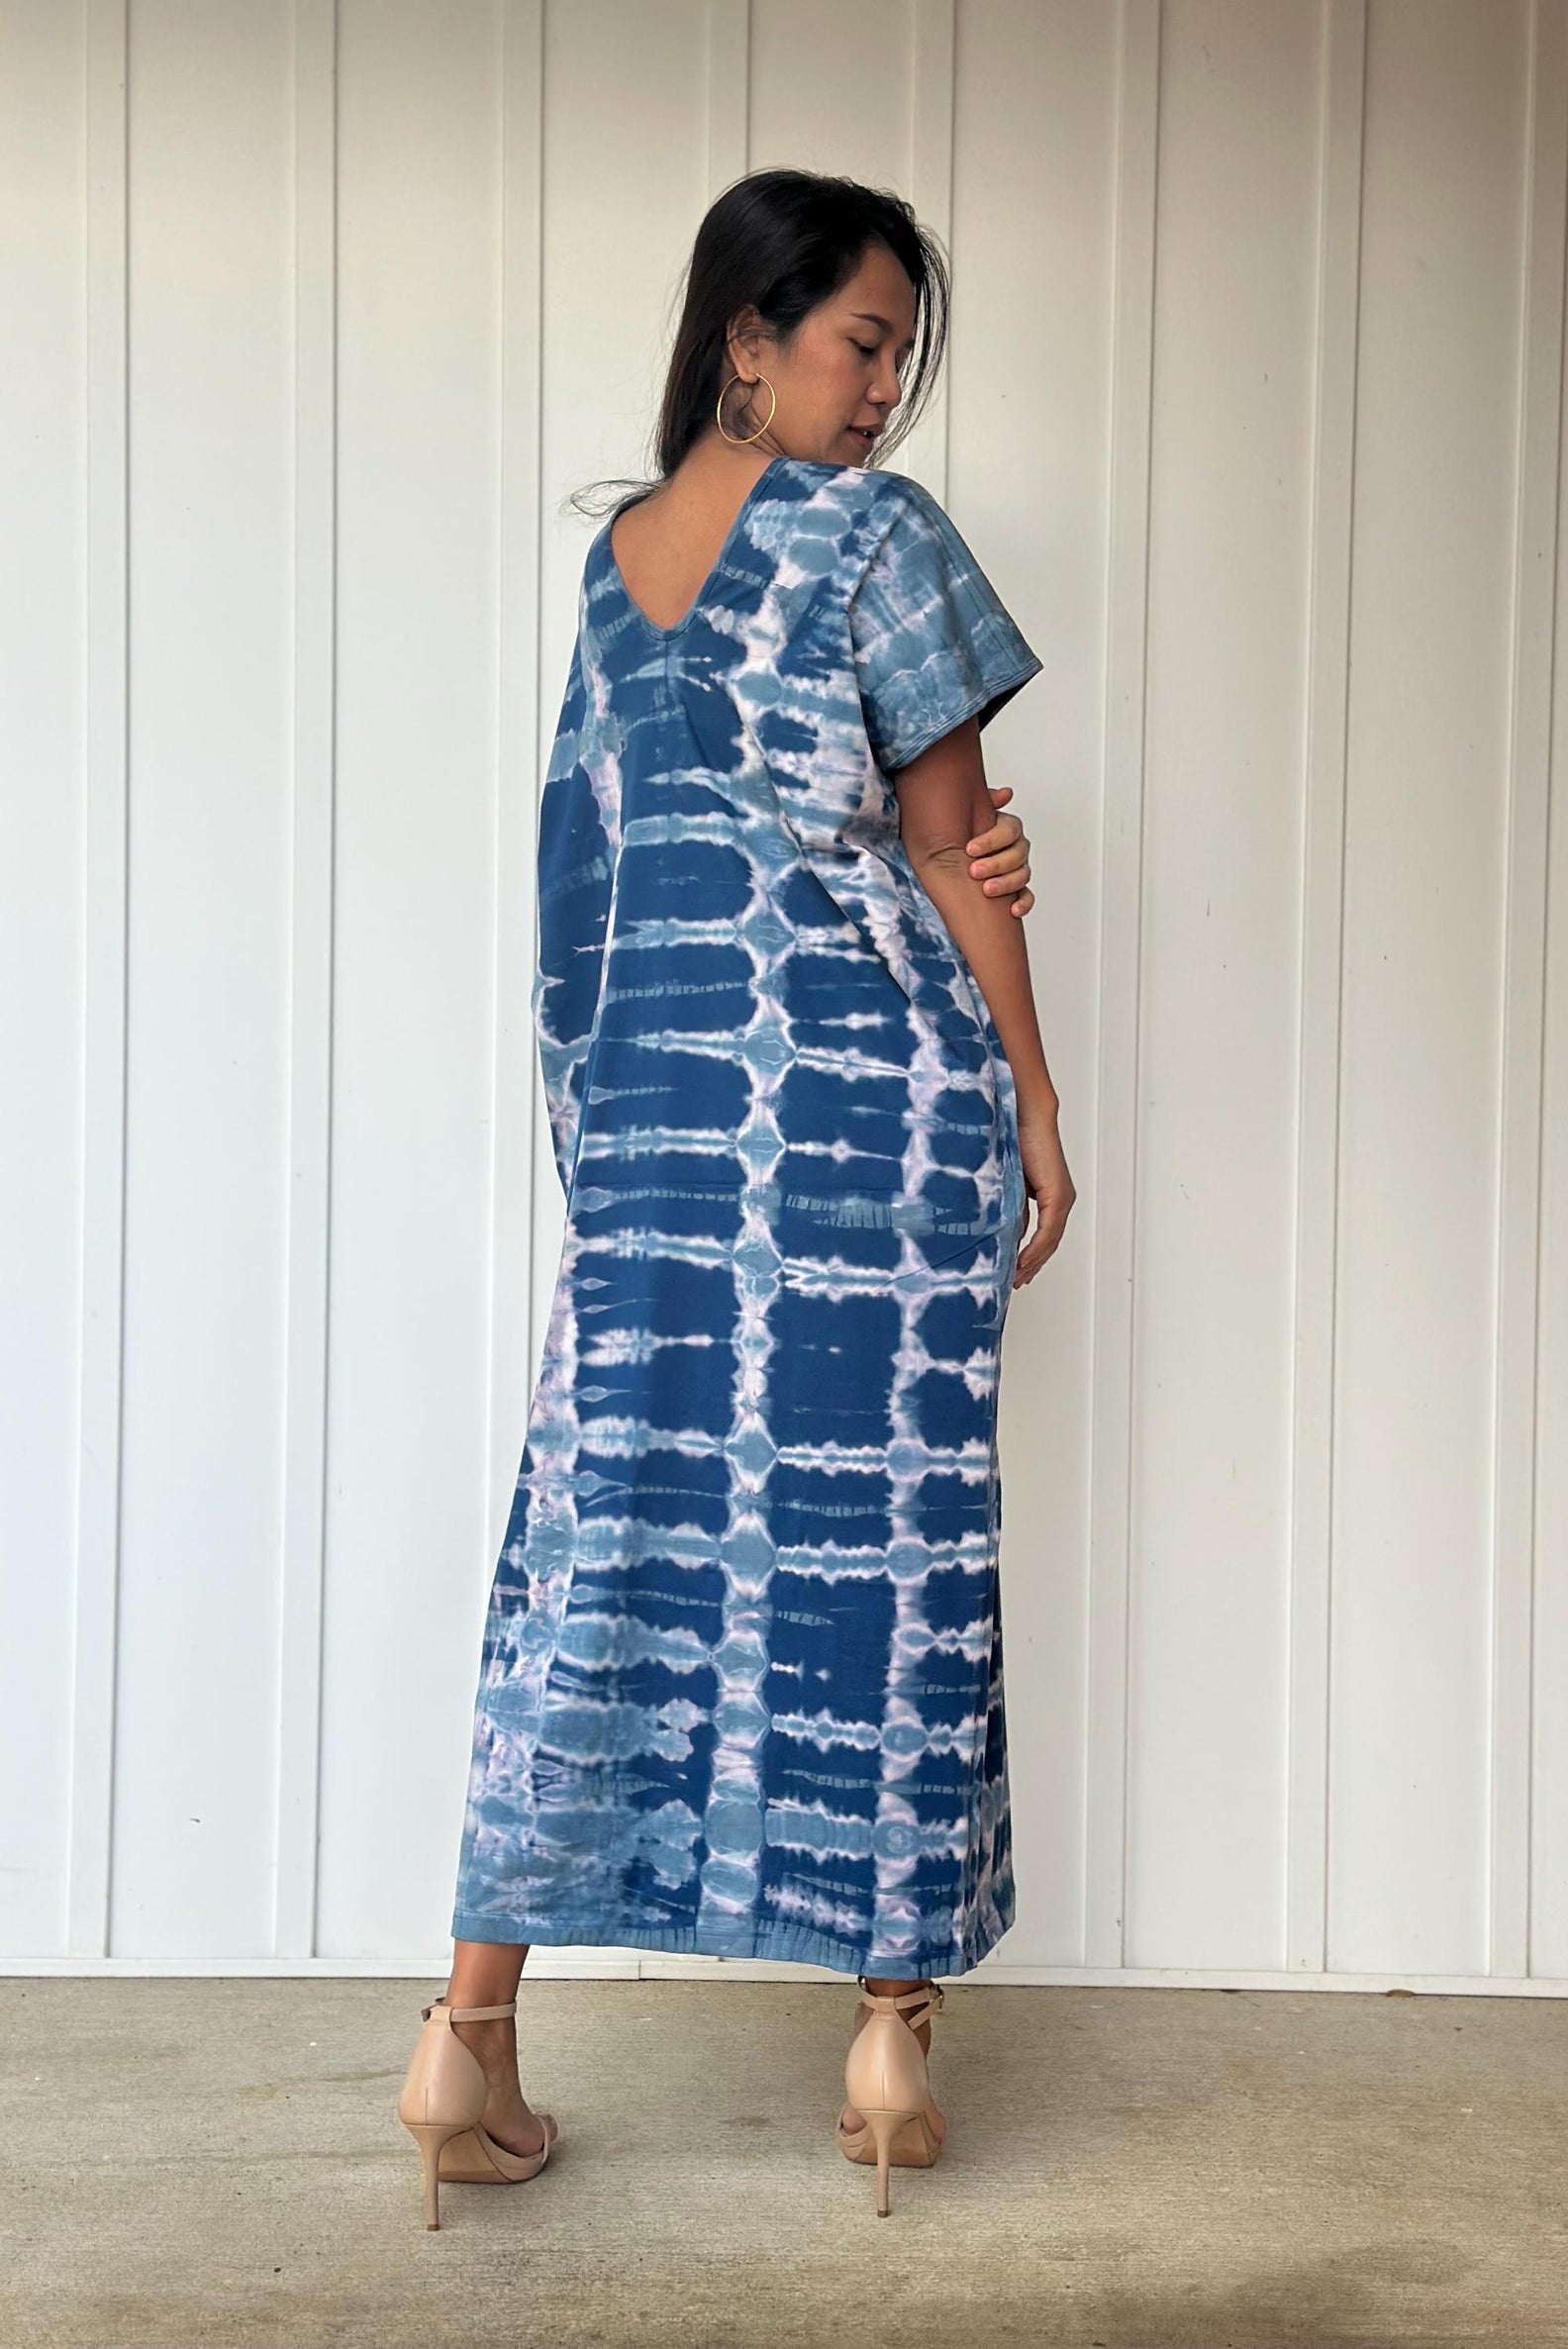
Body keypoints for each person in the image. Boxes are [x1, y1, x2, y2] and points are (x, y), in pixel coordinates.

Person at [396, 166, 1075, 2226]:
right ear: (747, 338)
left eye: (899, 357)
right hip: (876, 1129)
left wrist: (606, 1147)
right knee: (886, 1549)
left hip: (664, 1138)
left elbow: (583, 886)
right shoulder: (877, 539)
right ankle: (885, 2039)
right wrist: (1035, 1102)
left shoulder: (612, 571)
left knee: (590, 1541)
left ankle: (464, 2037)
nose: (883, 393)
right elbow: (953, 848)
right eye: (863, 342)